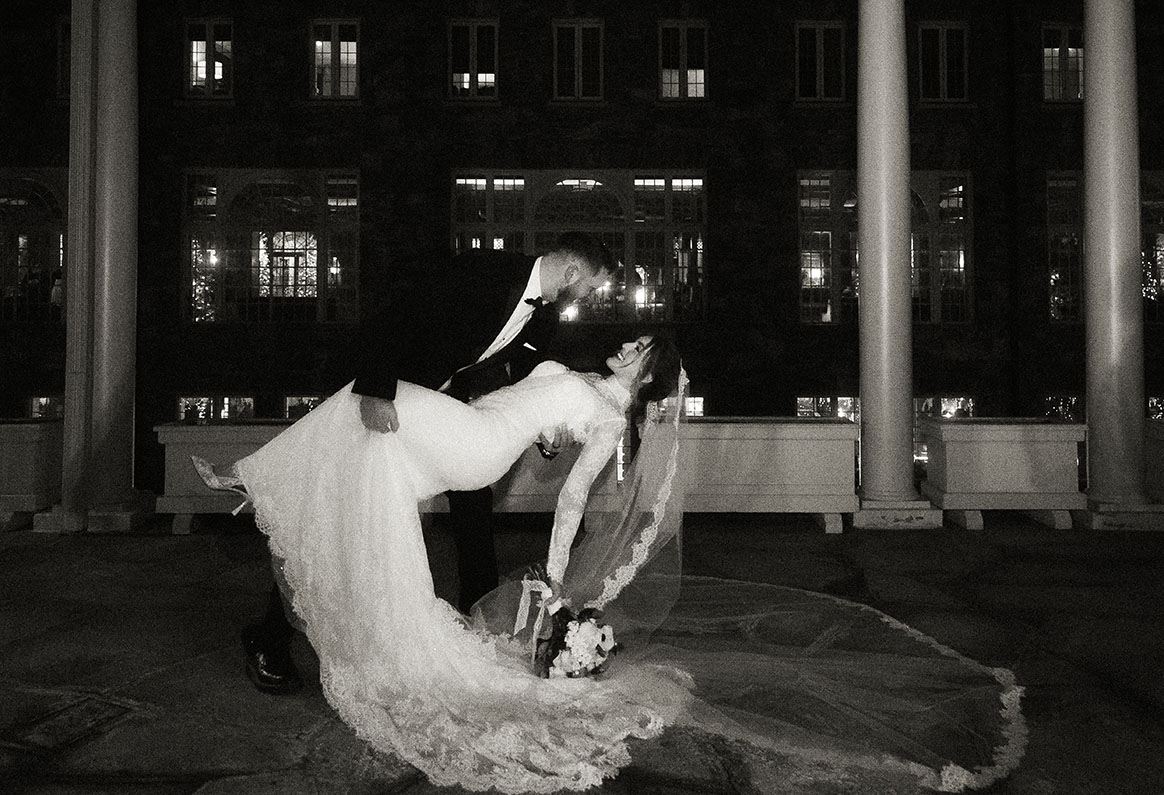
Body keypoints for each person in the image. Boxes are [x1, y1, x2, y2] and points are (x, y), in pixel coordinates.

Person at [194, 334, 1026, 794]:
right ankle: (266, 488)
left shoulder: (602, 417)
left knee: (360, 399)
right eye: (631, 342)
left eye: (638, 349)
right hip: (460, 433)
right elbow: (525, 386)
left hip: (473, 445)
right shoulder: (580, 381)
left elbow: (570, 502)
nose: (625, 345)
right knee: (359, 442)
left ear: (648, 377)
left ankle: (252, 477)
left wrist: (557, 581)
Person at [238, 232, 614, 695]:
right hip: (385, 396)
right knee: (339, 511)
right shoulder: (484, 271)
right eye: (591, 288)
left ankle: (479, 629)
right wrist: (377, 388)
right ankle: (268, 635)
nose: (588, 298)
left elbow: (525, 386)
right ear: (573, 272)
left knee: (474, 506)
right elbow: (398, 311)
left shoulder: (544, 322)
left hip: (446, 412)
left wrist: (546, 435)